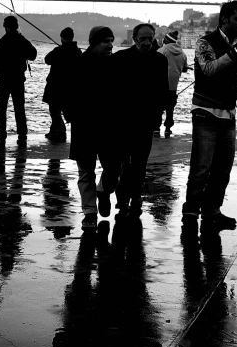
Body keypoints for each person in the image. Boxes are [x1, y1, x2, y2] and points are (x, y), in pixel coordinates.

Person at [182, 0, 237, 232]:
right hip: (205, 112)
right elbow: (209, 69)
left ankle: (212, 210)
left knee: (223, 168)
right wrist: (235, 52)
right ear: (224, 19)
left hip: (229, 113)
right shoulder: (205, 42)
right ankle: (191, 212)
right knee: (201, 166)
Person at [109, 23, 169, 217]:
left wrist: (160, 112)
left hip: (146, 121)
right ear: (134, 38)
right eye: (143, 38)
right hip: (123, 121)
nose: (147, 41)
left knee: (140, 162)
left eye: (150, 38)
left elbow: (163, 89)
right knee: (124, 162)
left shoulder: (160, 60)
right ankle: (123, 197)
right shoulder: (120, 58)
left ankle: (134, 196)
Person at [62, 26, 117, 229]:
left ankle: (103, 191)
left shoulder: (115, 65)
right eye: (106, 41)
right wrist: (70, 114)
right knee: (86, 172)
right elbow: (66, 92)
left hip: (110, 126)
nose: (110, 45)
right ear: (94, 43)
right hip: (84, 126)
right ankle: (89, 212)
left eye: (111, 40)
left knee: (113, 167)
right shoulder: (78, 63)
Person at [0, 15, 38, 141]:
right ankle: (22, 134)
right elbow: (33, 54)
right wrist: (22, 39)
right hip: (18, 79)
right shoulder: (21, 41)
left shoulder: (1, 42)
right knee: (19, 108)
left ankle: (1, 132)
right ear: (17, 27)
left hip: (4, 79)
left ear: (6, 28)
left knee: (1, 107)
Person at [42, 27, 81, 142]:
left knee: (54, 111)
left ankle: (60, 132)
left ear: (62, 38)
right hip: (70, 88)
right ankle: (54, 130)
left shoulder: (58, 51)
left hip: (55, 86)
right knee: (59, 111)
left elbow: (47, 59)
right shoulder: (78, 52)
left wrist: (58, 49)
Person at [157, 30, 189, 136]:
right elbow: (184, 69)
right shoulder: (183, 54)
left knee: (158, 107)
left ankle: (156, 128)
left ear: (166, 40)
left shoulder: (161, 50)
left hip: (160, 85)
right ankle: (168, 128)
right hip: (173, 85)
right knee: (170, 107)